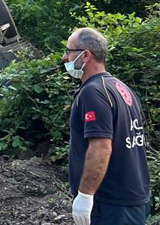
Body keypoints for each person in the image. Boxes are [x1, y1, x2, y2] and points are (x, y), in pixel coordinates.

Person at [64, 28, 150, 225]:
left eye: (69, 51)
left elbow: (101, 147)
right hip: (133, 196)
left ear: (85, 55)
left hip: (111, 203)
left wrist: (85, 196)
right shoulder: (120, 88)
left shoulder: (92, 92)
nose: (64, 57)